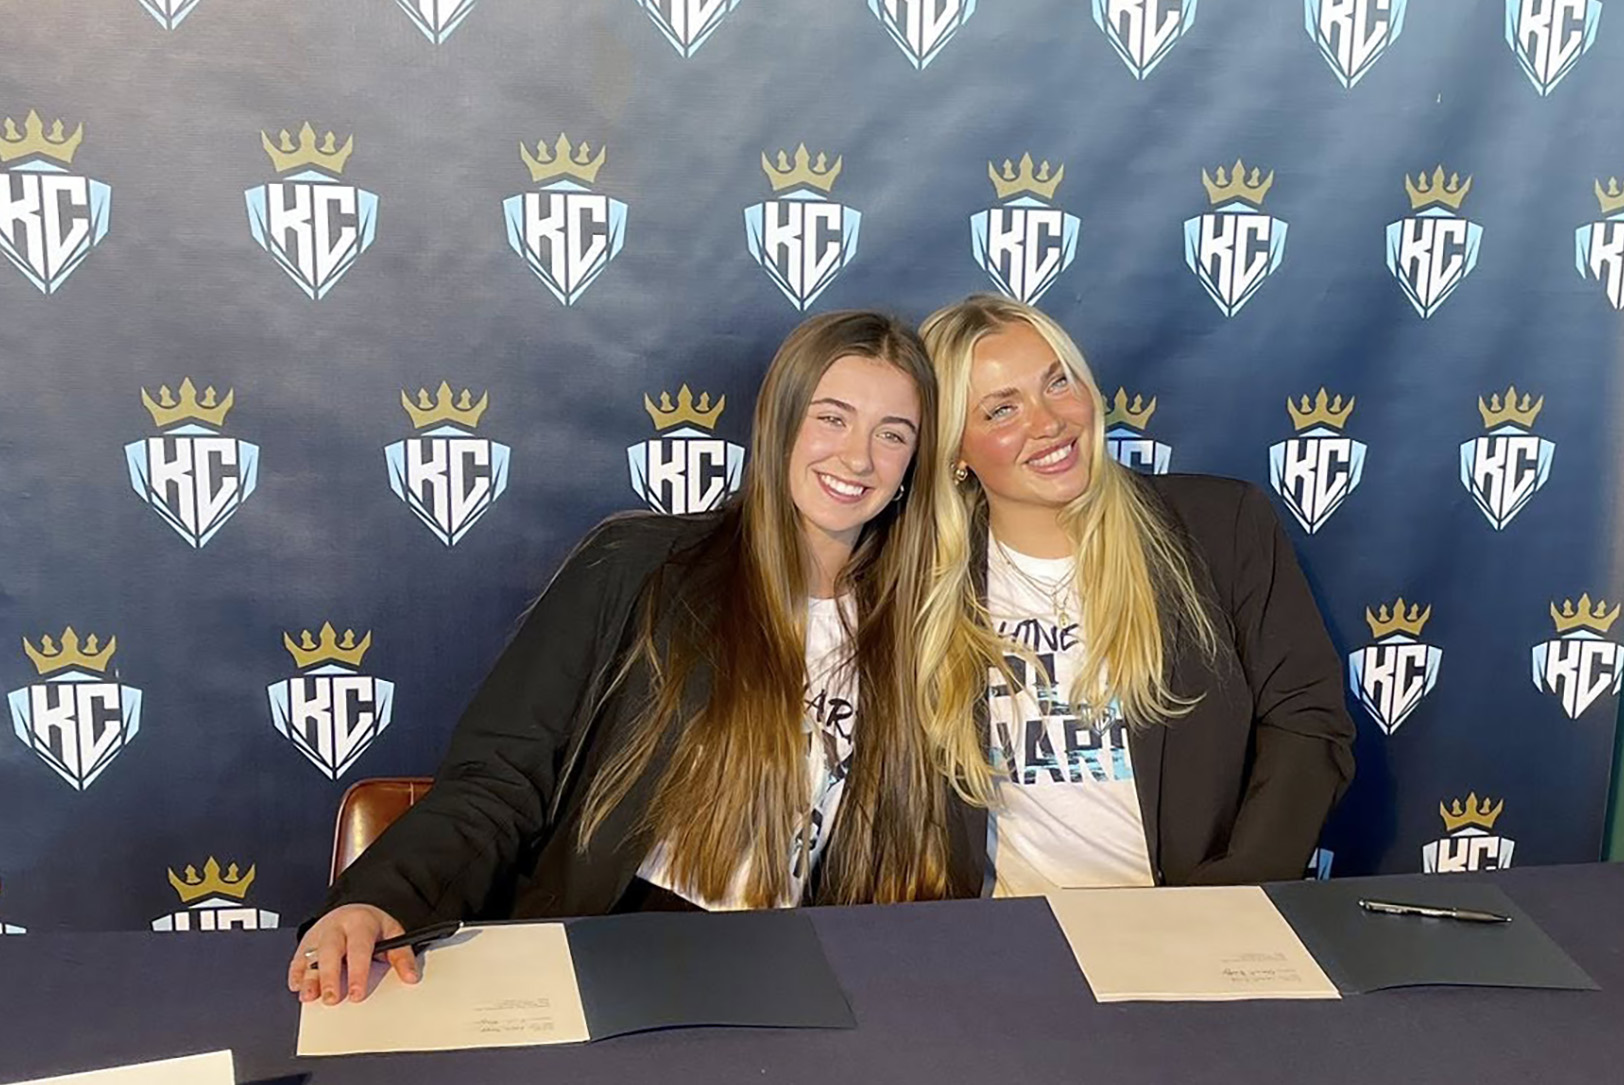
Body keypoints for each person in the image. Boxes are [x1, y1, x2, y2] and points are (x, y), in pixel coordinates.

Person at [290, 310, 965, 1005]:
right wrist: (377, 899)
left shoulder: (917, 624)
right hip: (616, 946)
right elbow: (498, 778)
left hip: (796, 967)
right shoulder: (641, 567)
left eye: (892, 434)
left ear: (914, 462)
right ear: (780, 422)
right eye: (832, 418)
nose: (858, 458)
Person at [917, 294, 1355, 896]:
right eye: (1000, 411)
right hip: (1001, 945)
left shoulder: (1221, 527)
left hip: (1194, 929)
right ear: (956, 452)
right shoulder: (915, 580)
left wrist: (1230, 898)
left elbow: (1307, 723)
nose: (1048, 422)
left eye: (1059, 383)